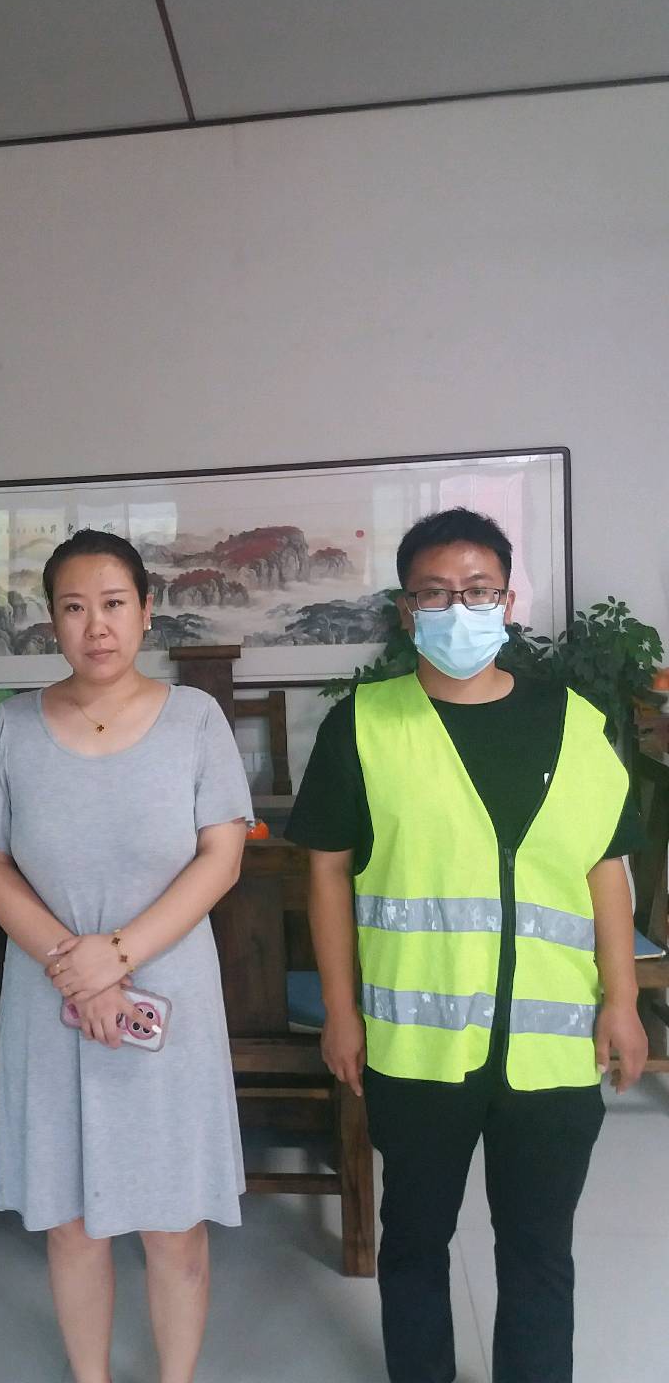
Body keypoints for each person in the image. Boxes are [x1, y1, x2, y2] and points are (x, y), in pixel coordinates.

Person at [285, 507, 648, 1383]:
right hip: (418, 1045)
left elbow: (606, 870)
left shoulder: (576, 723)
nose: (460, 610)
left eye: (479, 591)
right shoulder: (364, 724)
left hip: (553, 1045)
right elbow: (327, 873)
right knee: (416, 1240)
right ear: (407, 610)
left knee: (539, 1249)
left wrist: (625, 1002)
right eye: (436, 594)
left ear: (508, 602)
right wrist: (340, 1010)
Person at [0, 528, 252, 1383]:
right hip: (50, 999)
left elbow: (222, 858)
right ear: (51, 620)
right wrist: (75, 969)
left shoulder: (196, 720)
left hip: (169, 993)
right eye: (74, 608)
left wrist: (114, 957)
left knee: (173, 1223)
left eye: (114, 604)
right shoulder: (11, 729)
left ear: (146, 611)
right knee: (71, 1222)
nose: (97, 626)